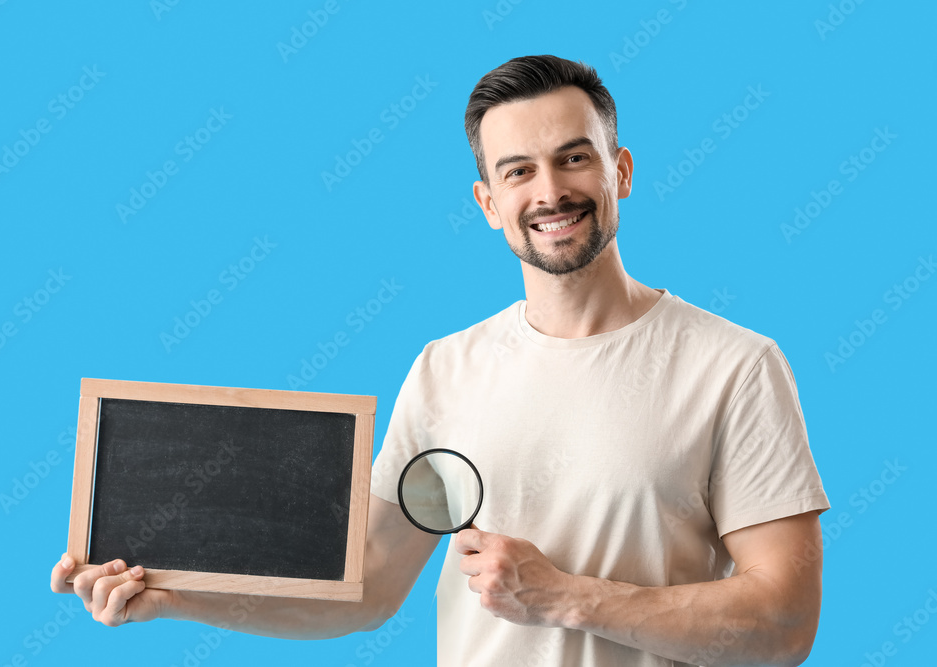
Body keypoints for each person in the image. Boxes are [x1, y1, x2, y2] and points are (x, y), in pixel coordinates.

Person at [52, 55, 830, 666]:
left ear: (619, 170)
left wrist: (566, 598)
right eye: (518, 170)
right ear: (488, 203)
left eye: (574, 159)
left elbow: (786, 621)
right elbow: (366, 589)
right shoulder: (447, 368)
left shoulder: (735, 365)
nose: (550, 190)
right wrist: (173, 595)